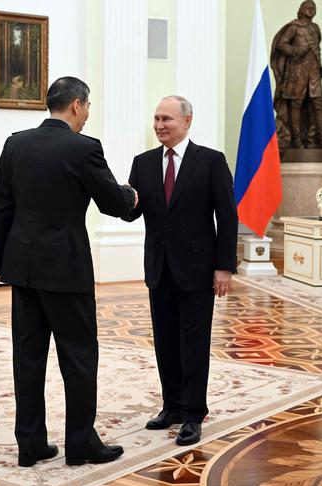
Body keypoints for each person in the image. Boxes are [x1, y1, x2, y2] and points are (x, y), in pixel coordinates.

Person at [0, 76, 136, 467]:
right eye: (88, 108)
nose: (87, 116)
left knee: (28, 358)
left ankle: (30, 445)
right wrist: (134, 196)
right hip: (67, 269)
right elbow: (112, 202)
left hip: (25, 269)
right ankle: (81, 445)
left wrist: (0, 261)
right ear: (77, 105)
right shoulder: (84, 148)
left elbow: (2, 207)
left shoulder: (15, 143)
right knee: (79, 357)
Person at [123, 96, 237, 446]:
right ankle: (171, 406)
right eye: (156, 118)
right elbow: (130, 212)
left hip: (199, 270)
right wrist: (113, 194)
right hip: (159, 269)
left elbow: (227, 216)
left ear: (187, 121)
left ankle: (192, 414)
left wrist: (223, 267)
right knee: (166, 343)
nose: (159, 125)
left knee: (194, 344)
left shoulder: (211, 161)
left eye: (167, 119)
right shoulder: (142, 164)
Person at [270, 0, 322, 149]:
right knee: (297, 103)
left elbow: (317, 51)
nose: (311, 9)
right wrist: (295, 51)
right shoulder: (294, 27)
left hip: (314, 73)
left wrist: (319, 68)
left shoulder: (316, 28)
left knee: (319, 103)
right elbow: (281, 44)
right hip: (298, 72)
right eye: (308, 7)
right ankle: (297, 139)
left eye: (313, 7)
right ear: (301, 9)